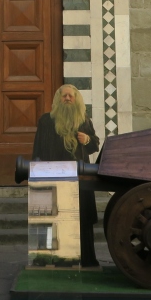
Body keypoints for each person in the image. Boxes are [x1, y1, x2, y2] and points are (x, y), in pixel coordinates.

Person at [32, 84, 100, 267]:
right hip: (53, 177)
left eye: (71, 96)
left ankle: (86, 259)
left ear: (76, 99)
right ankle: (47, 259)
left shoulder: (83, 120)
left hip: (79, 179)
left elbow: (95, 145)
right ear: (58, 99)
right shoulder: (46, 121)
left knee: (81, 218)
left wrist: (87, 139)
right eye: (64, 96)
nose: (68, 99)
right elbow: (37, 148)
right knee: (51, 219)